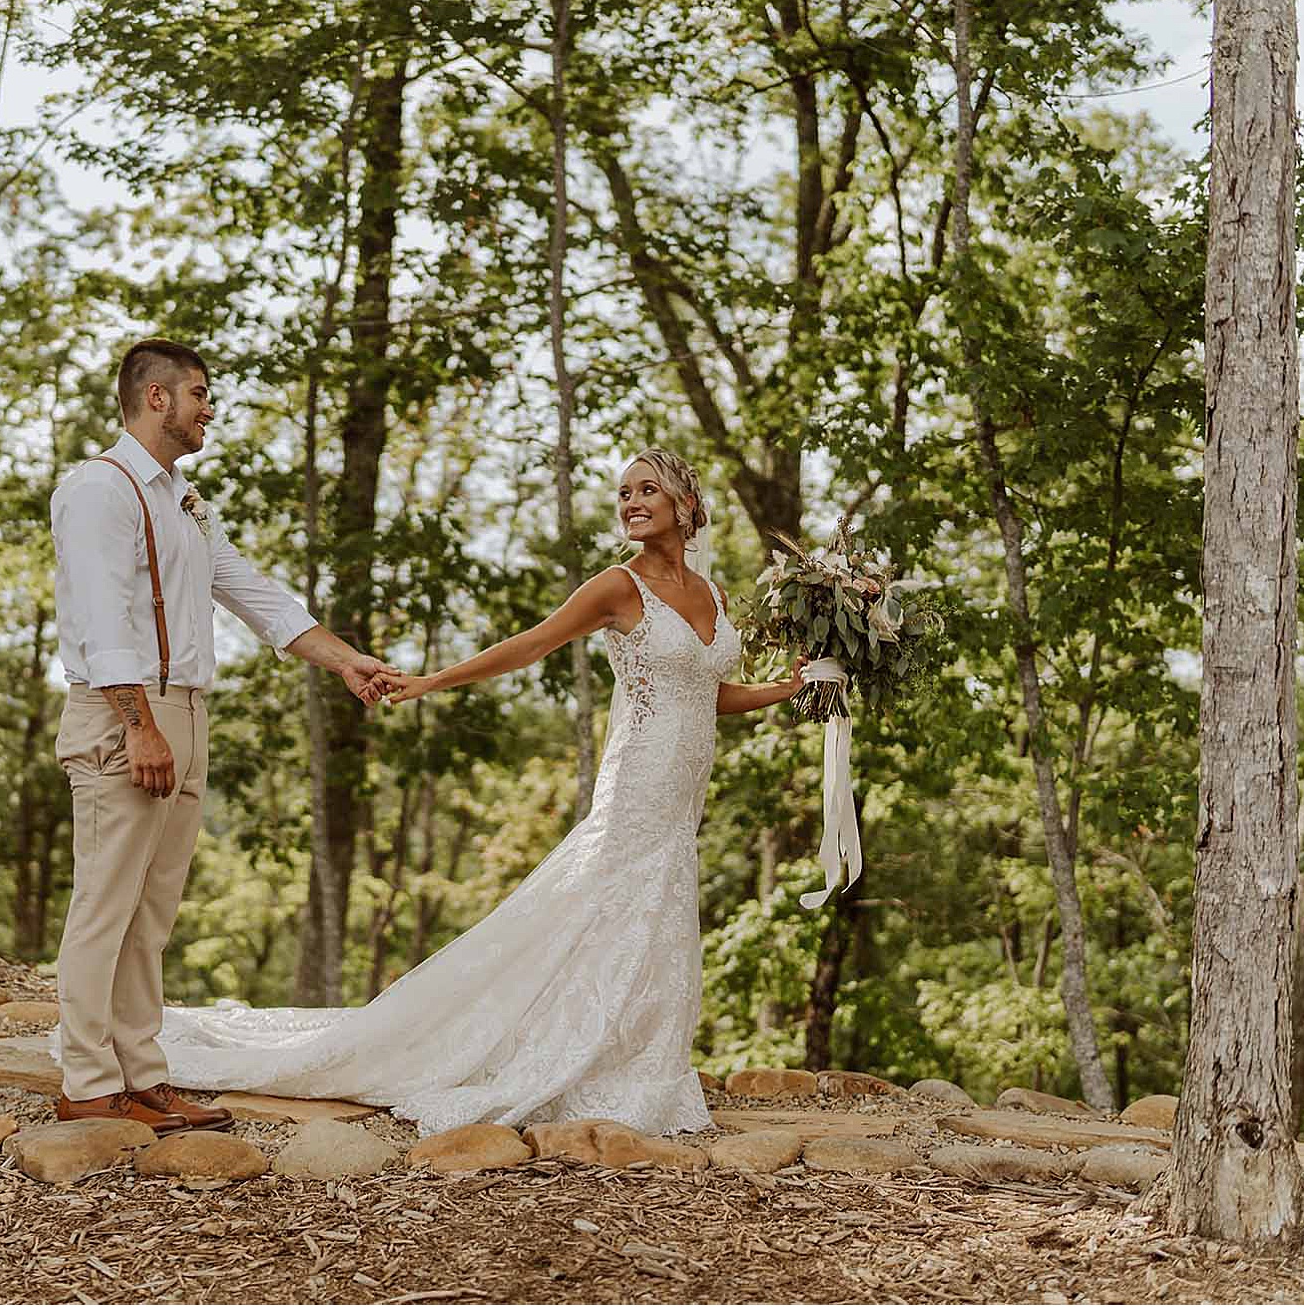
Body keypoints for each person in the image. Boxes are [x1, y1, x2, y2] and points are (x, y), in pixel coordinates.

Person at [157, 448, 807, 1136]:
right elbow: (529, 646)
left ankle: (638, 1061)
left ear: (685, 503)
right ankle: (560, 1056)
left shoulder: (713, 594)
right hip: (639, 781)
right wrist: (430, 682)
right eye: (623, 493)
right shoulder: (618, 586)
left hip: (684, 797)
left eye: (647, 490)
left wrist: (785, 689)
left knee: (659, 913)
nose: (630, 503)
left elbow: (709, 693)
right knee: (605, 906)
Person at [48, 338, 402, 1134]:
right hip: (127, 712)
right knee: (104, 905)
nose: (211, 408)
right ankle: (86, 1082)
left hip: (187, 712)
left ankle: (143, 1076)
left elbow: (253, 592)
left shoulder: (183, 500)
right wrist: (138, 726)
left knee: (152, 913)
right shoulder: (99, 489)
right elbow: (101, 619)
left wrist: (346, 662)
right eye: (201, 393)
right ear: (156, 398)